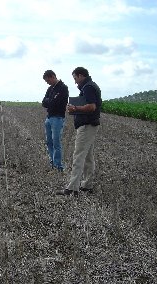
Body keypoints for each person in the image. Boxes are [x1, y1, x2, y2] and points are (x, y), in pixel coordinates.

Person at [56, 67, 102, 196]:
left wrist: (75, 108)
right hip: (90, 125)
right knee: (88, 157)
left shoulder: (88, 87)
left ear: (81, 75)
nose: (75, 82)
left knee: (78, 156)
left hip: (87, 125)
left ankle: (72, 188)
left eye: (75, 78)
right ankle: (87, 185)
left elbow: (92, 106)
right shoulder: (90, 86)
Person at [42, 70, 69, 171]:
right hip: (49, 117)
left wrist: (50, 101)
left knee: (56, 142)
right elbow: (44, 102)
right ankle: (52, 162)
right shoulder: (50, 88)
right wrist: (51, 100)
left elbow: (56, 103)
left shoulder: (63, 88)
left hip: (58, 118)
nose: (47, 83)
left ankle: (58, 165)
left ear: (53, 76)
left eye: (48, 80)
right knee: (49, 142)